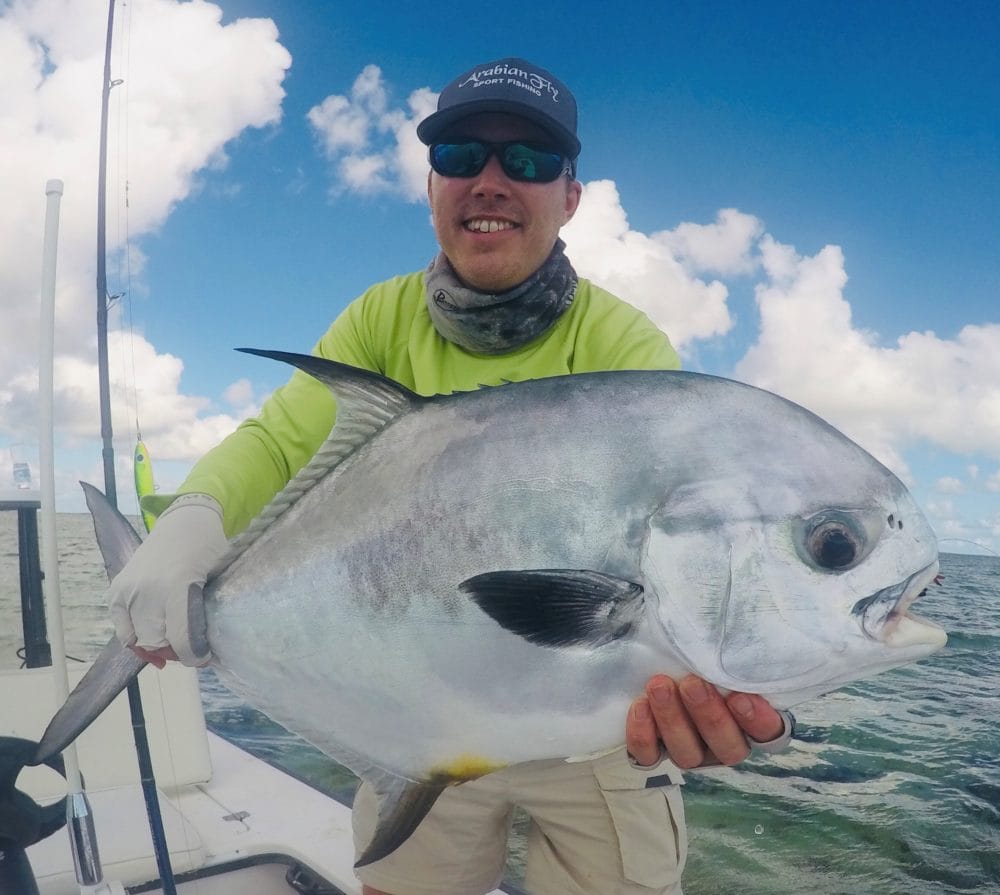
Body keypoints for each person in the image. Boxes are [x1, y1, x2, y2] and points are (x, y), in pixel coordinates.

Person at [109, 57, 792, 895]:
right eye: (463, 155)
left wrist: (752, 673)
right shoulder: (378, 319)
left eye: (531, 162)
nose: (493, 181)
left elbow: (674, 560)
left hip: (595, 722)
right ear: (432, 186)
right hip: (413, 702)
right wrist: (194, 516)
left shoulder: (626, 348)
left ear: (571, 197)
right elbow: (281, 442)